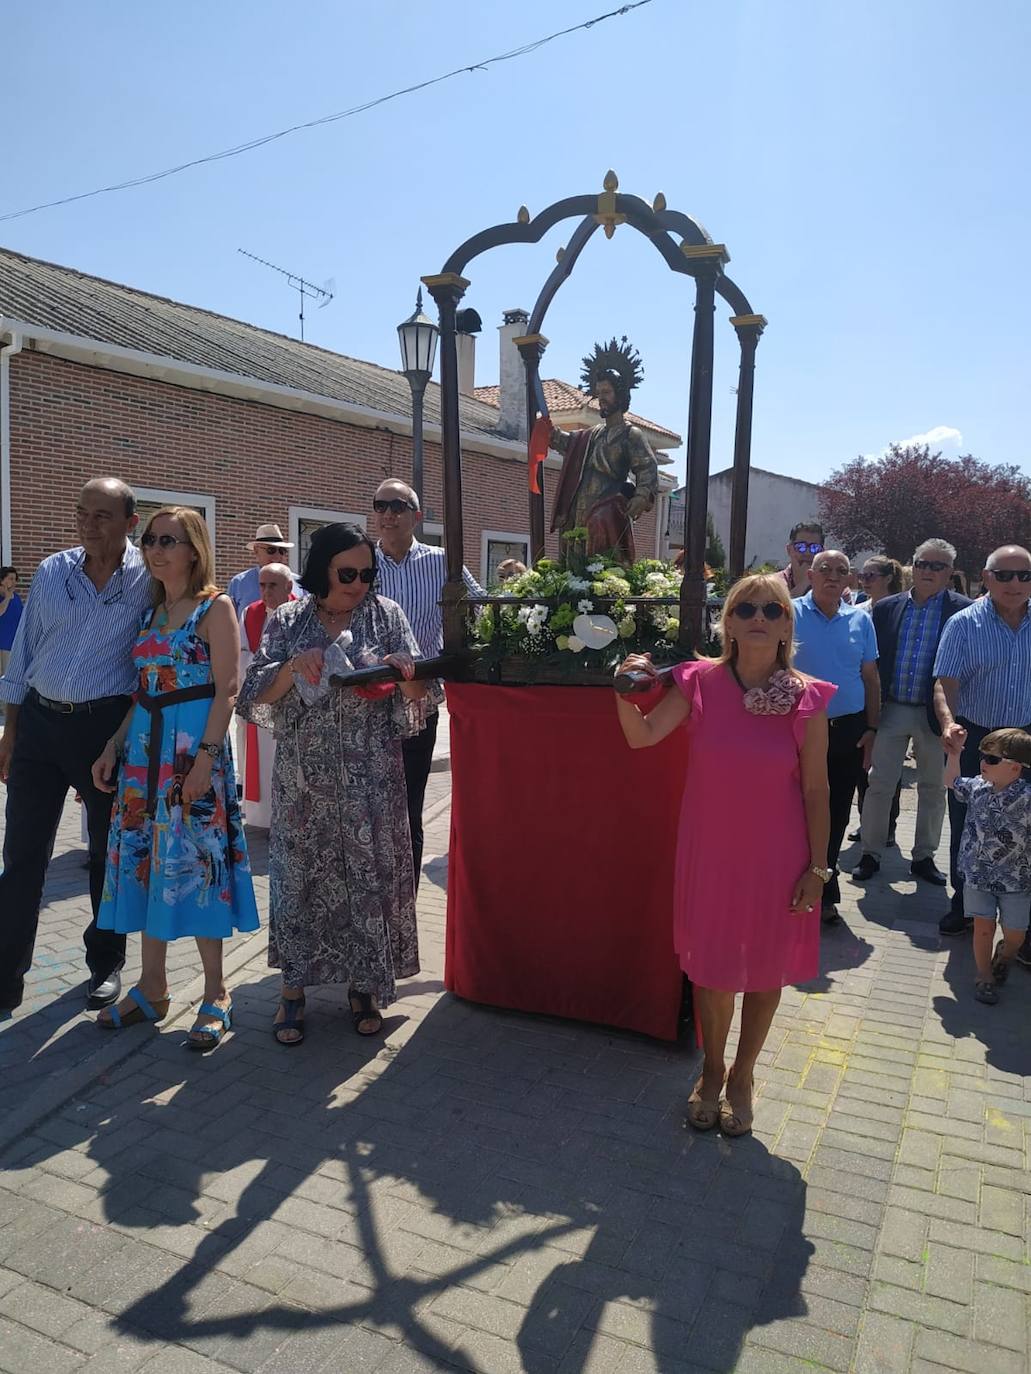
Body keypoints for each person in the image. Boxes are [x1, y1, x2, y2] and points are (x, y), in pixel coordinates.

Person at [615, 574, 834, 1136]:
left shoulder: (808, 696)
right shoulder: (699, 682)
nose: (759, 616)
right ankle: (711, 1070)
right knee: (712, 969)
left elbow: (816, 789)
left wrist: (818, 868)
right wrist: (621, 690)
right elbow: (642, 736)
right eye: (746, 608)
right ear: (728, 622)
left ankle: (744, 1075)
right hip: (711, 850)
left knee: (765, 970)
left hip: (778, 854)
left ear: (786, 626)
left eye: (772, 609)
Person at [237, 522, 427, 1045]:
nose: (359, 584)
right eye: (348, 574)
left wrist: (405, 673)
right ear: (322, 569)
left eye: (367, 574)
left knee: (366, 878)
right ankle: (293, 990)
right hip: (305, 782)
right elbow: (255, 693)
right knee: (301, 880)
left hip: (371, 778)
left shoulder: (387, 615)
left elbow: (419, 696)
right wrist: (292, 667)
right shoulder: (288, 619)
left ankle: (364, 986)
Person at [91, 507, 258, 1047]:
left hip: (189, 757)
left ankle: (216, 993)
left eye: (169, 540)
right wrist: (113, 745)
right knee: (145, 863)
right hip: (143, 759)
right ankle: (152, 988)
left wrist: (206, 760)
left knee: (198, 865)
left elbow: (227, 689)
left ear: (194, 549)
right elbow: (143, 693)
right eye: (150, 540)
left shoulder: (215, 607)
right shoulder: (151, 614)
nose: (156, 549)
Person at [0, 478, 151, 1014]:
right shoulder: (52, 571)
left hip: (102, 732)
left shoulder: (148, 578)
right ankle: (6, 976)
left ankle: (105, 964)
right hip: (39, 724)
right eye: (82, 513)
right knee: (22, 854)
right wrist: (11, 730)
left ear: (131, 522)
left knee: (107, 853)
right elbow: (23, 653)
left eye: (102, 515)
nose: (88, 524)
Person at [372, 478, 483, 889]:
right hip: (366, 702)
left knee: (408, 805)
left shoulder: (442, 563)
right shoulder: (360, 564)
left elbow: (479, 609)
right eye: (380, 505)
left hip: (418, 703)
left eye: (397, 506)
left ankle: (406, 899)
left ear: (416, 516)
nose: (388, 514)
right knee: (367, 804)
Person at [852, 541, 970, 886]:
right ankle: (871, 853)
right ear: (912, 566)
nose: (928, 571)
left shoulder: (962, 611)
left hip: (935, 715)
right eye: (922, 564)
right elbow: (872, 661)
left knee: (933, 788)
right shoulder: (887, 607)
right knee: (879, 784)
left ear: (950, 573)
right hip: (892, 709)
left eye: (937, 566)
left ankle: (924, 857)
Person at [933, 544, 1031, 946]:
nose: (1015, 583)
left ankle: (1020, 919)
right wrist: (949, 724)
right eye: (1004, 575)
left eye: (1024, 575)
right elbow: (945, 683)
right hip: (977, 739)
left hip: (1025, 740)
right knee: (969, 825)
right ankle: (965, 906)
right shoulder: (963, 624)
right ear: (986, 578)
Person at [792, 550, 880, 921]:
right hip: (796, 729)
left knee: (838, 810)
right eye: (824, 569)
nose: (832, 576)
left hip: (847, 730)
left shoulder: (860, 619)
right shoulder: (789, 613)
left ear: (850, 579)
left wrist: (872, 728)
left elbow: (870, 677)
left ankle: (825, 888)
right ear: (810, 575)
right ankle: (793, 881)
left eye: (840, 571)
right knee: (796, 809)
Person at [549, 338, 659, 561]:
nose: (601, 399)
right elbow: (571, 445)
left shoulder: (630, 434)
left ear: (620, 394)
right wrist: (551, 434)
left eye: (607, 392)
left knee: (602, 561)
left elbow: (647, 468)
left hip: (606, 510)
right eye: (599, 393)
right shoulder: (593, 434)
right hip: (579, 507)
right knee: (575, 559)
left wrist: (641, 495)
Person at [944, 728, 1031, 1003]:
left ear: (1015, 767)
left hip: (1016, 878)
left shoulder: (1027, 797)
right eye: (983, 756)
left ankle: (1005, 954)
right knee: (983, 928)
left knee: (1016, 933)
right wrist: (954, 754)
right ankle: (984, 975)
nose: (983, 763)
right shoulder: (977, 787)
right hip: (977, 874)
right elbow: (951, 781)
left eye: (992, 759)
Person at [239, 563, 295, 828]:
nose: (266, 591)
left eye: (273, 585)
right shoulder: (250, 613)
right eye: (262, 585)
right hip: (260, 698)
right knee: (260, 760)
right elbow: (241, 654)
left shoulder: (302, 612)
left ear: (289, 586)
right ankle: (262, 819)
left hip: (291, 701)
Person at [227, 524, 295, 620]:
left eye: (282, 550)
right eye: (271, 550)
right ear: (256, 550)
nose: (277, 556)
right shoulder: (239, 583)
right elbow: (229, 621)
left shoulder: (298, 583)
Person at [779, 522, 825, 599]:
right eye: (801, 546)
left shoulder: (832, 585)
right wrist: (804, 583)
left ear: (822, 552)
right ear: (789, 549)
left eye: (814, 547)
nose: (807, 553)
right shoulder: (771, 584)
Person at [0, 566, 22, 682]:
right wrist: (7, 597)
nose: (14, 582)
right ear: (2, 580)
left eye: (15, 579)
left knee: (7, 679)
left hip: (12, 645)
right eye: (10, 579)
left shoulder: (17, 598)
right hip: (1, 645)